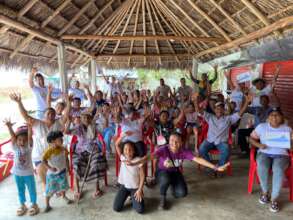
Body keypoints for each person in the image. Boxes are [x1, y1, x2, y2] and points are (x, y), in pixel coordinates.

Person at [10, 93, 70, 192]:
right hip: (40, 157)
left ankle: (60, 193)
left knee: (60, 179)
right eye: (48, 114)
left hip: (56, 157)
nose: (50, 115)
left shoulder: (58, 123)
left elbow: (66, 113)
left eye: (52, 114)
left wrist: (68, 102)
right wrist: (19, 102)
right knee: (45, 182)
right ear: (44, 115)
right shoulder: (37, 124)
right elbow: (25, 115)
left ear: (55, 115)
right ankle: (48, 198)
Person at [154, 132, 228, 210]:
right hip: (162, 171)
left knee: (181, 193)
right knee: (165, 179)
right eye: (172, 140)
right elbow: (151, 156)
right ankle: (162, 197)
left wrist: (215, 167)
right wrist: (141, 161)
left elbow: (198, 159)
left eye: (177, 141)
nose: (174, 143)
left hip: (175, 172)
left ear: (181, 143)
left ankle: (172, 185)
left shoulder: (184, 151)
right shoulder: (163, 149)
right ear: (168, 141)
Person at [196, 93, 252, 175]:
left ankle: (219, 167)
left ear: (224, 110)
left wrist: (246, 102)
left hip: (221, 142)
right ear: (214, 110)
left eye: (221, 109)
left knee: (226, 150)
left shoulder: (228, 119)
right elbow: (199, 111)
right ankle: (210, 166)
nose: (219, 110)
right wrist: (195, 101)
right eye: (217, 108)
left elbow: (240, 113)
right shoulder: (210, 117)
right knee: (201, 149)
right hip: (209, 141)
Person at [249, 107, 293, 213]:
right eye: (271, 115)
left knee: (277, 169)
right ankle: (265, 193)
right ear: (268, 117)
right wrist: (259, 145)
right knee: (262, 165)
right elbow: (250, 139)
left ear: (281, 117)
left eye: (277, 114)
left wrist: (290, 143)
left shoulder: (287, 129)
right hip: (264, 153)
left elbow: (291, 148)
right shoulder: (261, 127)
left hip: (281, 155)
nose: (274, 117)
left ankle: (274, 199)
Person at [65, 110, 107, 200]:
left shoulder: (95, 127)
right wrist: (68, 121)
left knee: (96, 164)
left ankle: (97, 188)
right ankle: (77, 189)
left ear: (91, 118)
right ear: (81, 119)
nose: (86, 119)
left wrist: (103, 116)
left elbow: (105, 125)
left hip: (93, 150)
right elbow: (67, 132)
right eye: (84, 117)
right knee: (76, 164)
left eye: (88, 117)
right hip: (80, 152)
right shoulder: (78, 128)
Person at [3, 120, 39, 216]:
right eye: (19, 140)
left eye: (24, 140)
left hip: (28, 173)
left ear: (27, 140)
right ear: (17, 140)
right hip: (17, 173)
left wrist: (30, 128)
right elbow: (13, 137)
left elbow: (30, 137)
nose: (22, 142)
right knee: (20, 189)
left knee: (32, 189)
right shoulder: (15, 147)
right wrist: (9, 127)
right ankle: (22, 205)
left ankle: (34, 204)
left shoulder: (29, 147)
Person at [42, 131, 73, 212]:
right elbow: (43, 160)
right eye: (59, 139)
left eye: (62, 138)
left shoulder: (63, 148)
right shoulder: (49, 151)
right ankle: (47, 205)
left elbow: (66, 158)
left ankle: (64, 196)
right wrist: (50, 168)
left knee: (63, 186)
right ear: (53, 141)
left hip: (62, 172)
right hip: (52, 175)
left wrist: (68, 168)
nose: (62, 140)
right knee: (49, 190)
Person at [113, 139, 145, 214]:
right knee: (116, 208)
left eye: (130, 149)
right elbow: (116, 144)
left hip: (135, 188)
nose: (128, 152)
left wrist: (140, 189)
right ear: (123, 151)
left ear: (134, 151)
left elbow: (143, 175)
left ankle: (133, 196)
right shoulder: (123, 158)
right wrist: (123, 135)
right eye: (125, 149)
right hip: (124, 187)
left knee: (140, 210)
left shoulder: (138, 160)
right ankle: (129, 196)